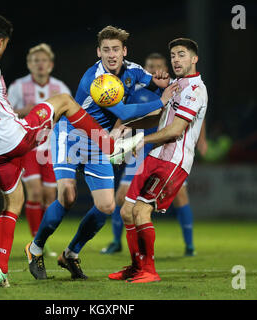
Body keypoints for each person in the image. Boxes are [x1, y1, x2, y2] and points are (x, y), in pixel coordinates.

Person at [0, 14, 139, 287]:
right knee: (64, 101)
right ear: (2, 42)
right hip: (17, 136)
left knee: (11, 206)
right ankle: (109, 144)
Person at [25, 25, 177, 280]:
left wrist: (160, 82)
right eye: (105, 49)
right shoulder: (95, 79)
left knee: (106, 206)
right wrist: (161, 101)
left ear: (124, 50)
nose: (111, 54)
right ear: (98, 52)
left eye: (116, 49)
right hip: (72, 134)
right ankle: (35, 247)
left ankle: (70, 254)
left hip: (98, 141)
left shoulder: (134, 70)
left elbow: (153, 82)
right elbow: (126, 113)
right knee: (68, 195)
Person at [108, 38, 208, 283]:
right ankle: (135, 266)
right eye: (173, 54)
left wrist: (140, 141)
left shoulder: (195, 90)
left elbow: (175, 130)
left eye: (182, 54)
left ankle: (150, 271)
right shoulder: (176, 84)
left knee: (141, 210)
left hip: (173, 161)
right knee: (126, 211)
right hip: (156, 156)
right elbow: (159, 120)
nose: (175, 59)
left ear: (194, 59)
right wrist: (128, 127)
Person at [8, 44, 71, 256]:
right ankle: (35, 242)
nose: (40, 64)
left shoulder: (60, 88)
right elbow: (6, 114)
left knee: (49, 196)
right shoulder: (18, 86)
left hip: (51, 148)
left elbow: (70, 114)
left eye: (44, 60)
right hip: (28, 147)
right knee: (34, 192)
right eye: (35, 61)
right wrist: (25, 112)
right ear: (29, 64)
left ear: (51, 65)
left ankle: (42, 241)